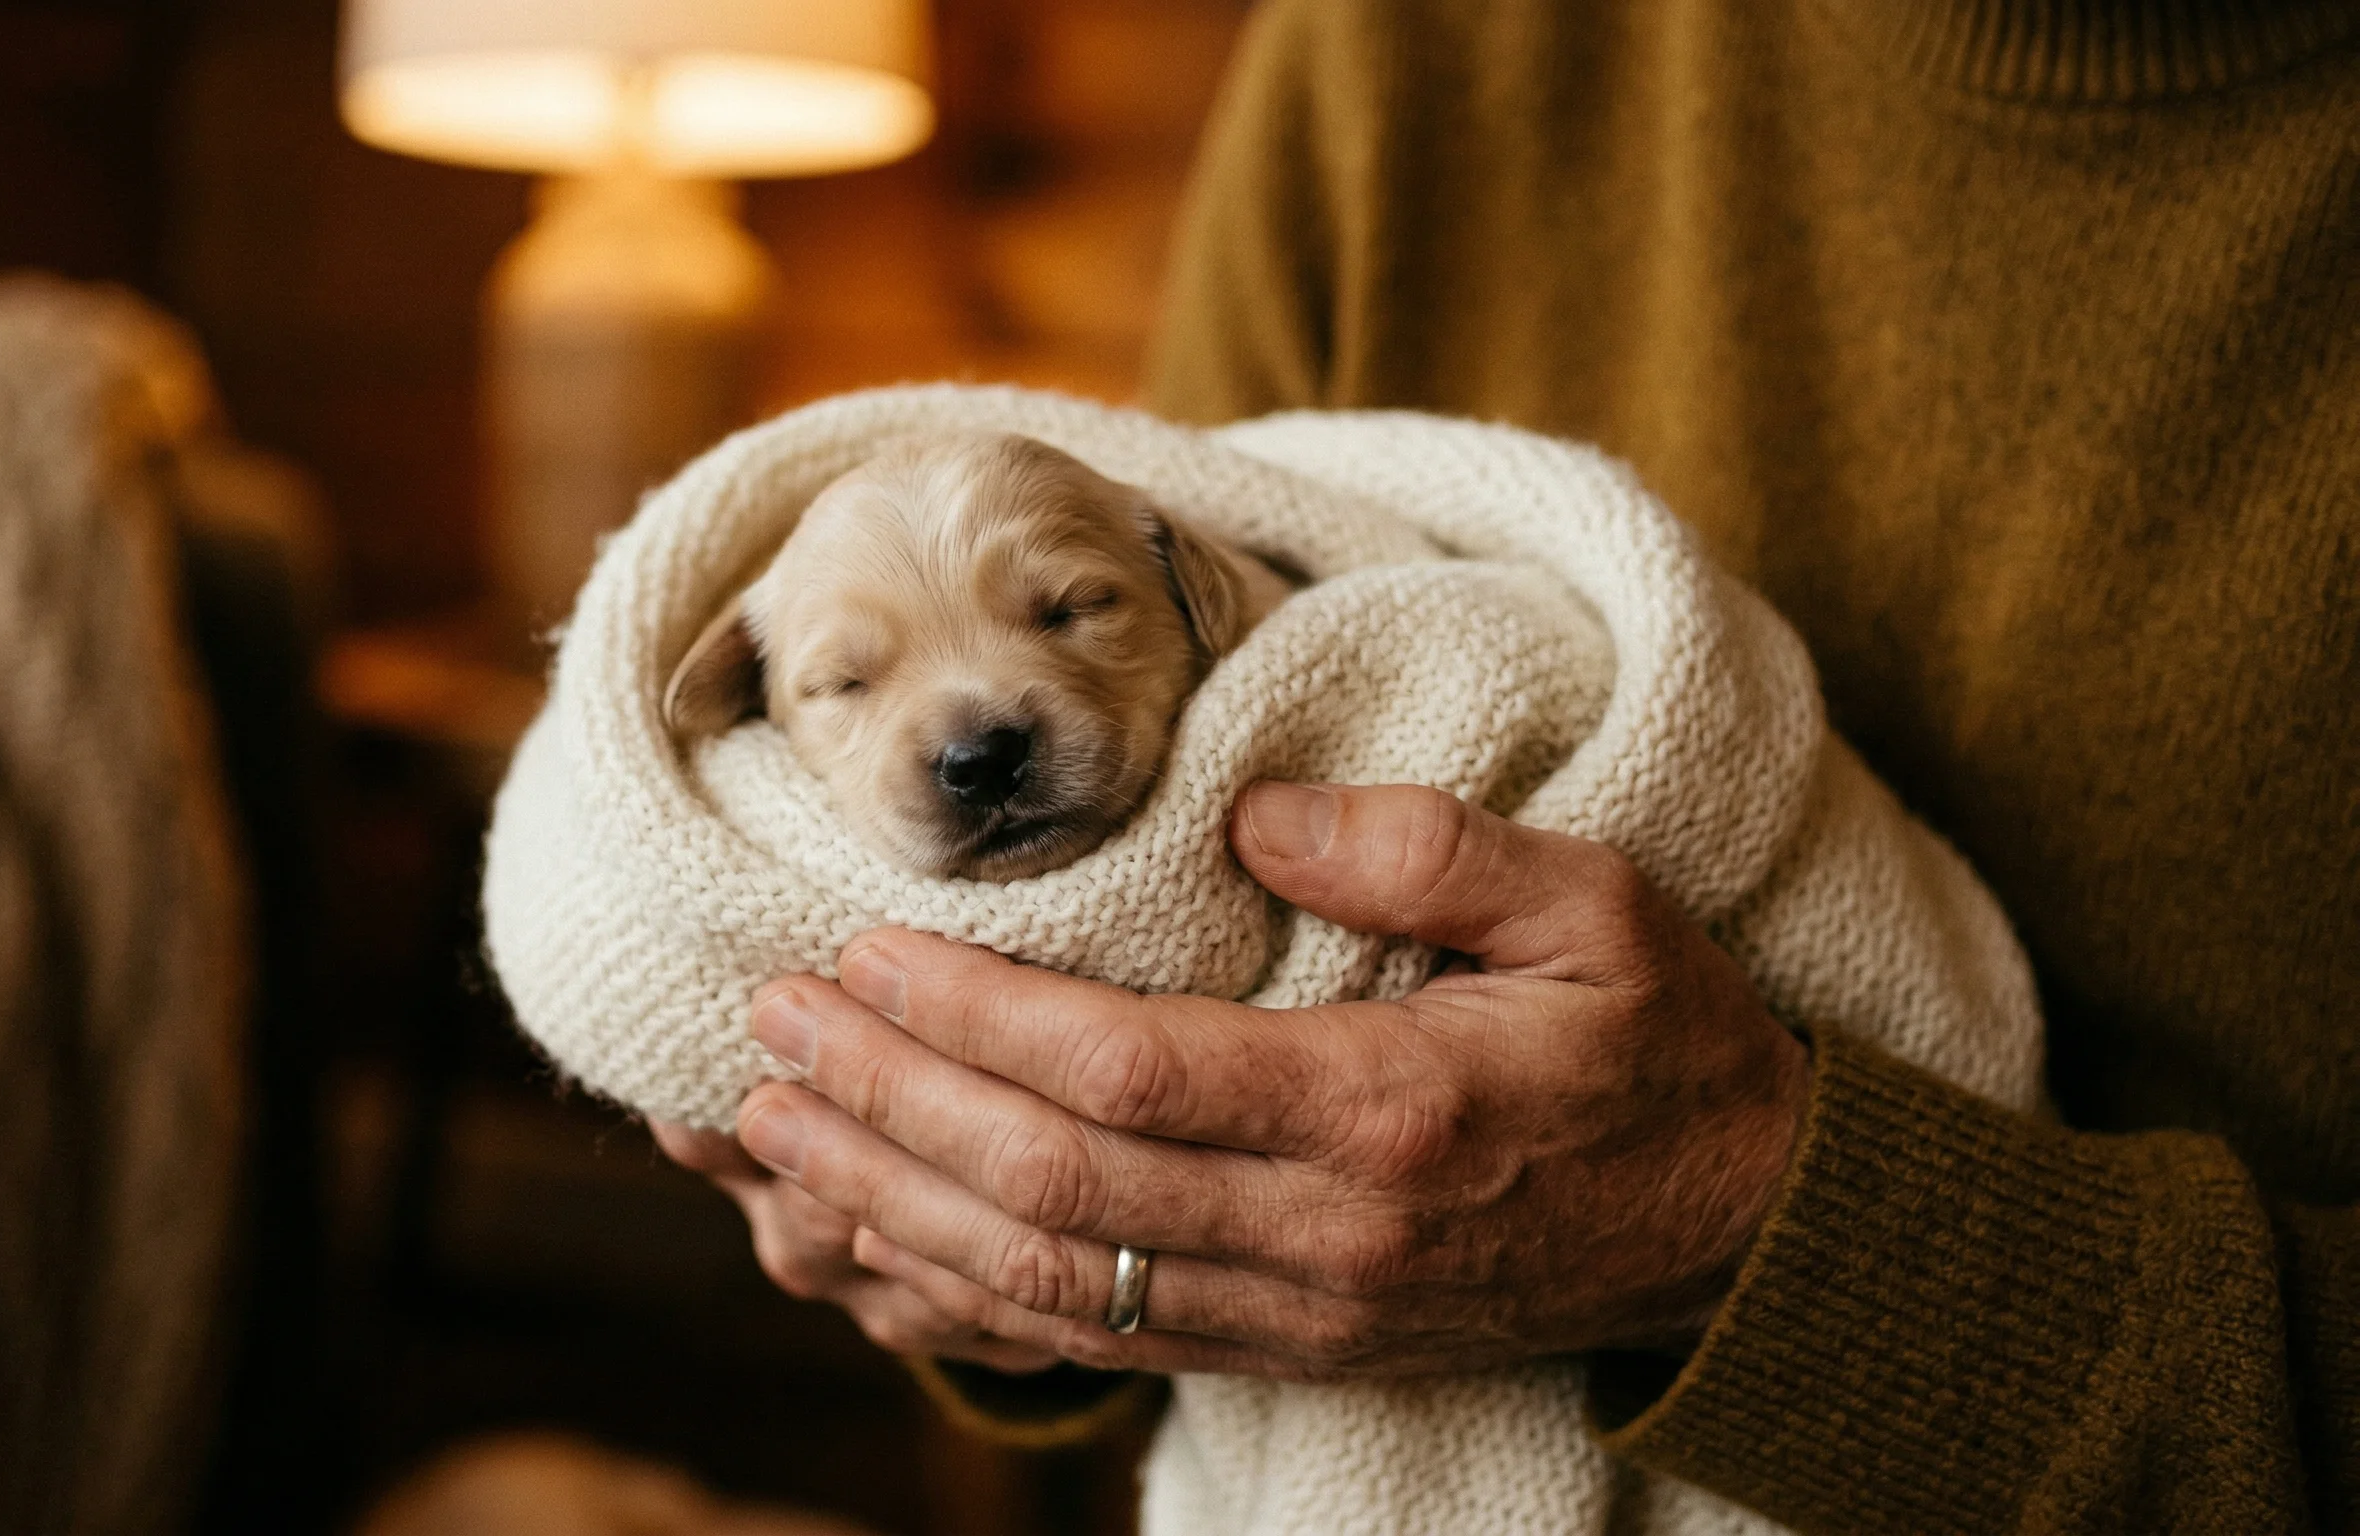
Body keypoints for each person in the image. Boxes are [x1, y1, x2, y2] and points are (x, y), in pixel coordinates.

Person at [655, 0, 2360, 1528]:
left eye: (1066, 614)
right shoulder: (1382, 44)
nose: (975, 723)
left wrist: (1798, 1253)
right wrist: (1001, 1250)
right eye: (855, 683)